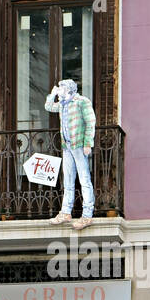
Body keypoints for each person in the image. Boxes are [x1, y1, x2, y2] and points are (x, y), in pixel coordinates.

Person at [44, 78, 96, 230]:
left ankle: (87, 215)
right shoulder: (62, 104)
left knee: (84, 180)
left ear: (68, 90)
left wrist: (88, 143)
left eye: (61, 88)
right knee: (68, 180)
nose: (59, 91)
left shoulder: (82, 101)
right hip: (67, 146)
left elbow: (90, 122)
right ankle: (66, 212)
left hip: (79, 145)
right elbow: (48, 106)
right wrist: (52, 94)